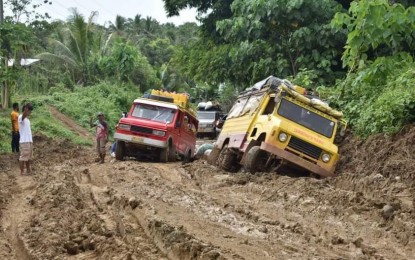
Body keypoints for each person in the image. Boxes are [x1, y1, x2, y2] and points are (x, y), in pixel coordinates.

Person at [18, 103, 34, 175]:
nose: (30, 112)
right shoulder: (21, 117)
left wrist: (31, 140)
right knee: (23, 157)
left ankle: (28, 170)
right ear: (25, 110)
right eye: (29, 110)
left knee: (28, 157)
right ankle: (22, 172)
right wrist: (26, 109)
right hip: (24, 141)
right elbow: (24, 115)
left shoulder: (28, 120)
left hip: (29, 141)